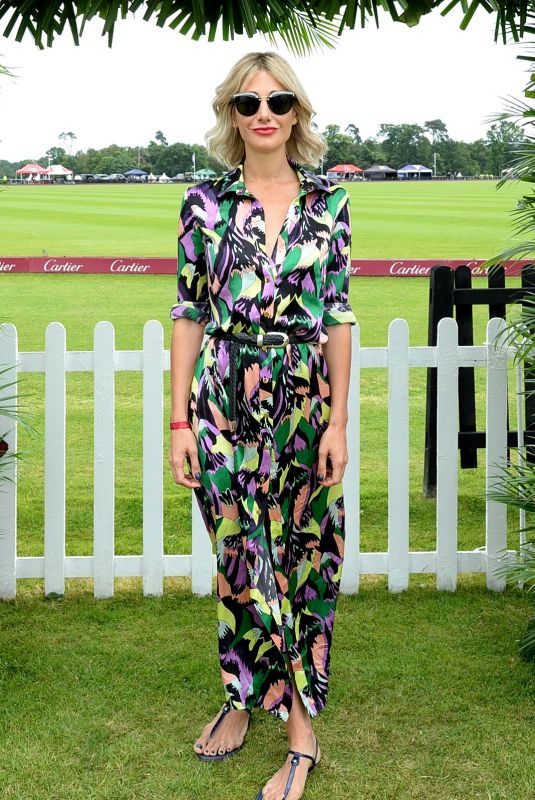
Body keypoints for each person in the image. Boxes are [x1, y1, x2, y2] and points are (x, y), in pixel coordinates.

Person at [168, 51, 356, 800]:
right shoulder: (202, 203)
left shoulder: (329, 203)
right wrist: (178, 421)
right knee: (238, 552)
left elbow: (338, 315)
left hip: (304, 398)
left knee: (304, 552)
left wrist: (339, 421)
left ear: (298, 112)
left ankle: (301, 734)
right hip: (221, 399)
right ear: (231, 116)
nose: (265, 114)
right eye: (248, 104)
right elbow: (187, 311)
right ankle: (244, 694)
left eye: (279, 100)